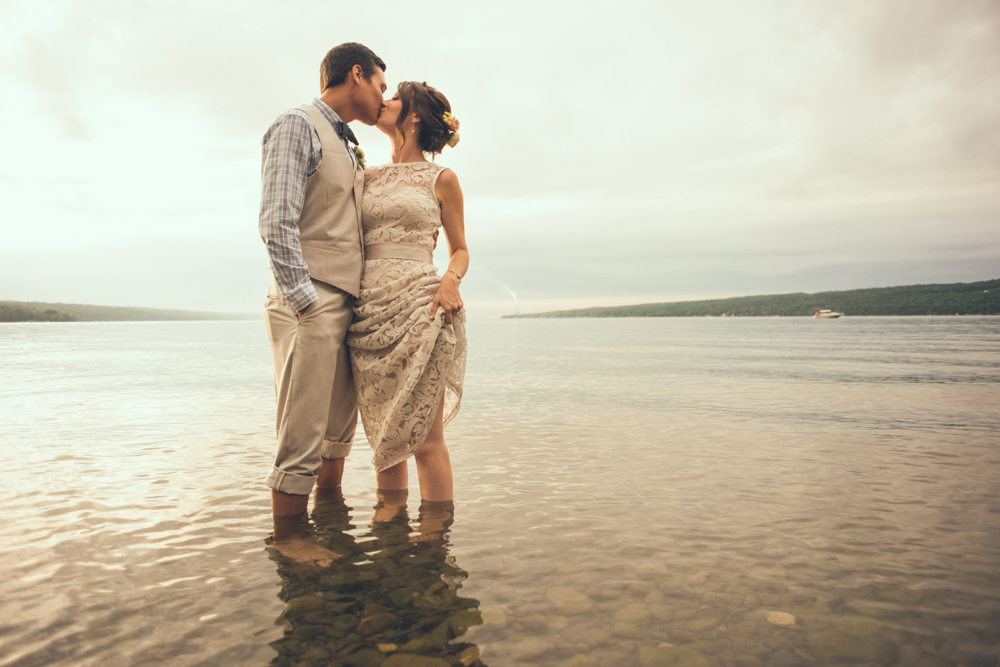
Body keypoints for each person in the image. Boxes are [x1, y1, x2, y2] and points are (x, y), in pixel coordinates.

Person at [258, 43, 386, 563]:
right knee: (303, 430)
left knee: (336, 433)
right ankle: (289, 541)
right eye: (380, 83)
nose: (383, 95)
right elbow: (276, 220)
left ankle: (330, 524)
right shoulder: (297, 123)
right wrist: (305, 302)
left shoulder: (350, 143)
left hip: (346, 304)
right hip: (309, 299)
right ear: (356, 74)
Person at [348, 81, 468, 504]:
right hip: (368, 311)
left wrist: (450, 280)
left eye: (394, 98)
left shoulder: (442, 178)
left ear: (413, 116)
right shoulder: (363, 176)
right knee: (385, 437)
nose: (384, 101)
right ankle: (391, 537)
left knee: (425, 439)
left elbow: (460, 251)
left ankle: (435, 541)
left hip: (423, 304)